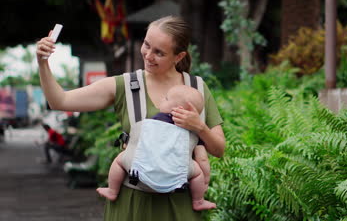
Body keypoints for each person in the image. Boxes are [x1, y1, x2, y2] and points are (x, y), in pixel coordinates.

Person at [36, 16, 225, 220]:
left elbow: (218, 149)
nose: (148, 55)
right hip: (132, 203)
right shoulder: (125, 85)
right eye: (146, 45)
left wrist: (199, 127)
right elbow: (60, 101)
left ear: (179, 57)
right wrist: (43, 62)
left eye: (159, 52)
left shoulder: (196, 88)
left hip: (180, 206)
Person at [96, 84, 216, 211]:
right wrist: (205, 179)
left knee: (119, 160)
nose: (162, 100)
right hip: (176, 177)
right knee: (197, 173)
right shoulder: (194, 131)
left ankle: (112, 190)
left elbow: (135, 143)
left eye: (166, 99)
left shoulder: (154, 121)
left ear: (177, 109)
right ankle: (198, 201)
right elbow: (202, 159)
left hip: (140, 172)